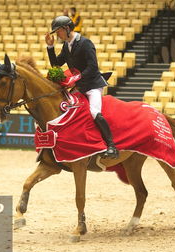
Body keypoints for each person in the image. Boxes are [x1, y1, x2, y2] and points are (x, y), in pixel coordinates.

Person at [45, 16, 119, 159]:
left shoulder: (85, 43)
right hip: (79, 85)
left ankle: (111, 146)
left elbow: (93, 68)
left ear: (67, 28)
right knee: (67, 109)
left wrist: (75, 79)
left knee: (94, 112)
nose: (57, 35)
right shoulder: (67, 46)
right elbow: (56, 65)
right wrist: (50, 47)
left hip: (92, 85)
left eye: (58, 31)